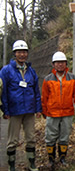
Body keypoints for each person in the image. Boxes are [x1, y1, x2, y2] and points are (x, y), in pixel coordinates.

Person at [0, 40, 42, 171]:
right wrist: (5, 110)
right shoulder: (6, 71)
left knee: (31, 138)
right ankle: (11, 165)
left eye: (24, 52)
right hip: (14, 110)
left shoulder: (31, 71)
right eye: (19, 52)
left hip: (29, 109)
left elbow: (36, 91)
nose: (22, 55)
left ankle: (31, 164)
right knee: (12, 140)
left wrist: (38, 108)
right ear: (15, 54)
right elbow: (3, 91)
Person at [41, 51, 75, 169]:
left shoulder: (72, 78)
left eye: (62, 62)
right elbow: (44, 97)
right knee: (50, 136)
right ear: (53, 65)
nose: (60, 65)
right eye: (57, 63)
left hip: (67, 112)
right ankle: (51, 159)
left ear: (66, 64)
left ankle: (62, 158)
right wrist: (44, 111)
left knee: (64, 136)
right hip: (52, 113)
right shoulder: (48, 79)